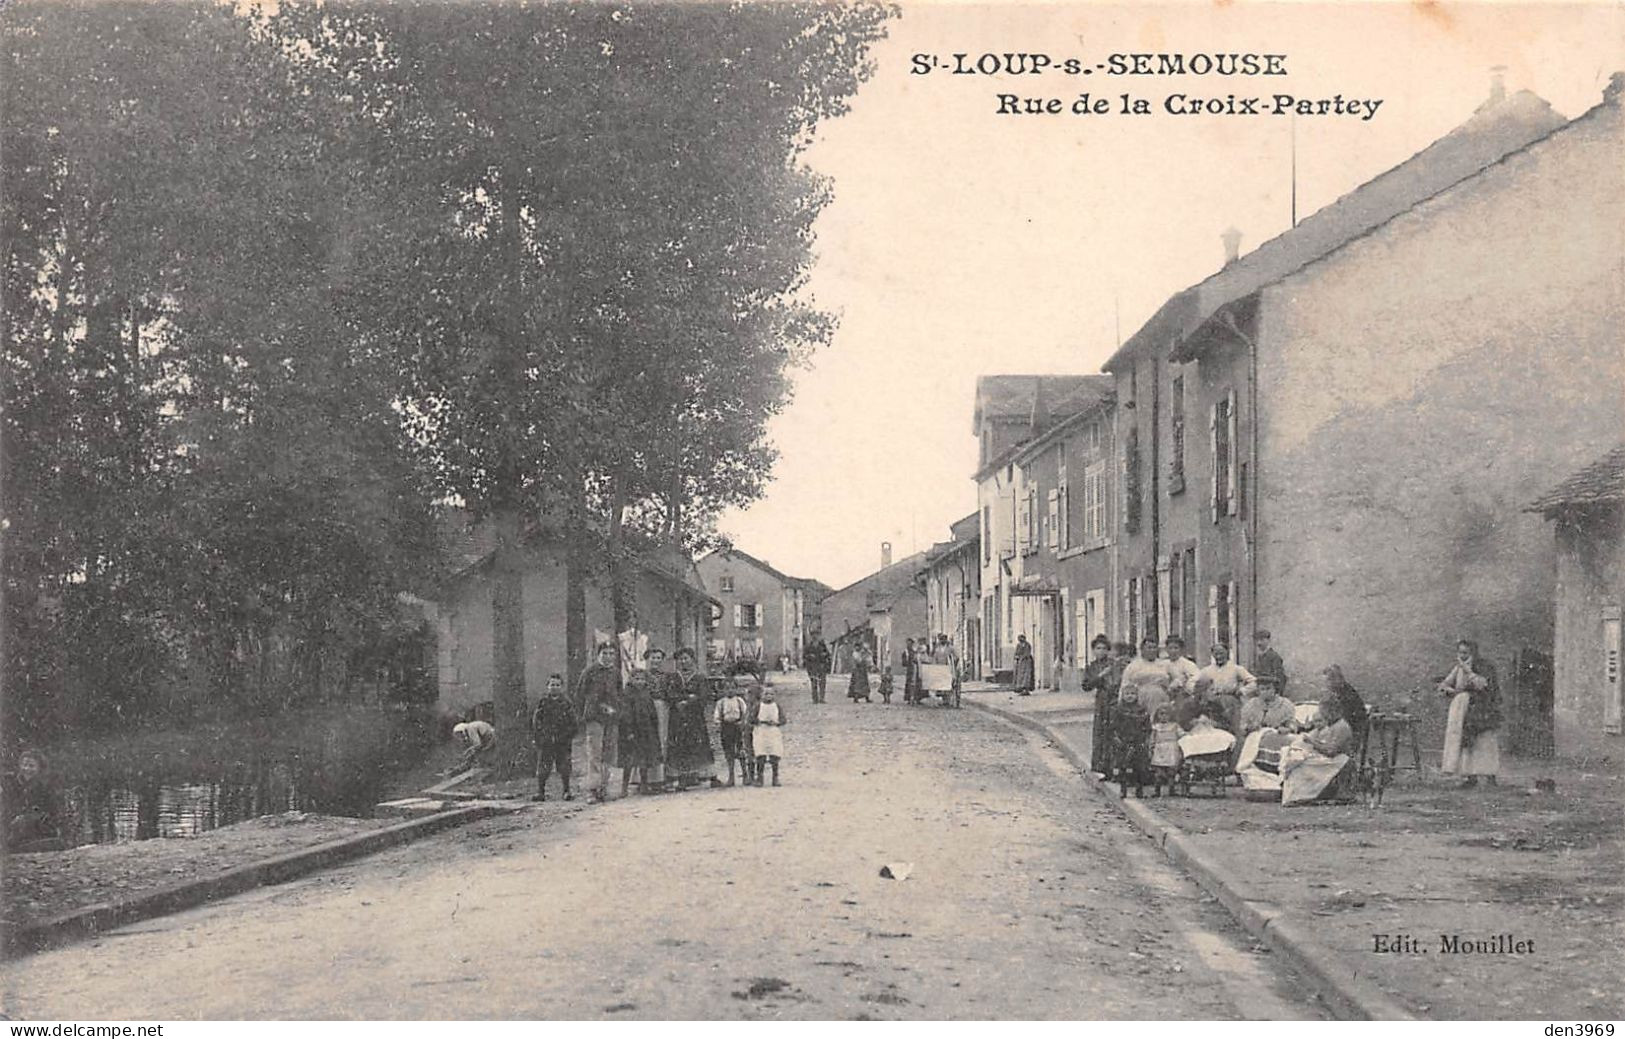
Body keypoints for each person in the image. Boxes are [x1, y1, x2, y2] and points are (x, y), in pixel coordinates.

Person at [1438, 639, 1502, 787]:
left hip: (1480, 707)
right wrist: (1451, 690)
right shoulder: (1458, 668)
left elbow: (1483, 685)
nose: (1462, 655)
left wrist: (1469, 671)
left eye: (1466, 652)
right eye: (1460, 652)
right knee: (1465, 741)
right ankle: (1469, 776)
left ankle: (1490, 775)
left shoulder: (1484, 666)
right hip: (1461, 707)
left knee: (1484, 740)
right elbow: (1445, 684)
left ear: (1473, 653)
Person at [1280, 695, 1357, 805]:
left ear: (1332, 711)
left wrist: (1312, 742)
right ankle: (1299, 794)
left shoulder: (1341, 727)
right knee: (1296, 760)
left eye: (1324, 712)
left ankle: (1302, 795)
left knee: (1302, 765)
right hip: (1331, 757)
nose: (1324, 716)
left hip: (1339, 760)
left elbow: (1331, 751)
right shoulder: (1332, 725)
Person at [576, 642, 623, 801]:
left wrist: (616, 710)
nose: (608, 657)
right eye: (605, 653)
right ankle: (592, 790)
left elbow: (619, 693)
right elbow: (581, 694)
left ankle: (604, 787)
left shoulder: (616, 672)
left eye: (611, 654)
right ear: (598, 654)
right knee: (594, 753)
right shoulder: (589, 672)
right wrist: (592, 710)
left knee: (608, 754)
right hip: (595, 717)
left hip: (612, 718)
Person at [665, 647, 717, 788]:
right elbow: (669, 694)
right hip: (678, 716)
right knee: (680, 743)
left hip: (694, 716)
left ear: (692, 660)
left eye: (686, 658)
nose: (683, 662)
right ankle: (681, 776)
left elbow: (704, 695)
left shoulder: (700, 677)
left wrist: (690, 701)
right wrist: (679, 701)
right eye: (681, 659)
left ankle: (700, 774)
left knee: (698, 742)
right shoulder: (673, 677)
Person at [530, 674, 577, 801]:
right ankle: (541, 792)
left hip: (562, 741)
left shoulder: (566, 703)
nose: (554, 687)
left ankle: (566, 791)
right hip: (546, 741)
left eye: (557, 685)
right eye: (552, 685)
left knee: (564, 766)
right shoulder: (543, 702)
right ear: (547, 687)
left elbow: (573, 723)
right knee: (544, 766)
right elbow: (536, 721)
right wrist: (540, 736)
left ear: (562, 687)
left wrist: (566, 736)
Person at [618, 666, 662, 797]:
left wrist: (654, 727)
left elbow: (652, 712)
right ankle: (624, 787)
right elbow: (625, 715)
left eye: (642, 679)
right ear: (631, 680)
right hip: (632, 731)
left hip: (646, 731)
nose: (640, 682)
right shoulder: (627, 694)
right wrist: (629, 731)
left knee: (644, 759)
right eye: (636, 679)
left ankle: (644, 785)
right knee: (629, 760)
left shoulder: (646, 693)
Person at [1195, 643, 1255, 731]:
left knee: (1233, 728)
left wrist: (1242, 690)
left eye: (1221, 653)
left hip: (1231, 703)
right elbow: (1194, 683)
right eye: (1216, 654)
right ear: (1212, 655)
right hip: (1212, 705)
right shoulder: (1206, 670)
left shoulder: (1236, 669)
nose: (1219, 656)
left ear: (1227, 653)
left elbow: (1254, 682)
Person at [1080, 635, 1117, 775]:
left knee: (1113, 732)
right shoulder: (1092, 667)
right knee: (1100, 732)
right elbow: (1086, 685)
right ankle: (1100, 766)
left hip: (1114, 699)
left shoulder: (1114, 664)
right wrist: (1101, 676)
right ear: (1094, 650)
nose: (1101, 651)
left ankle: (1113, 767)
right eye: (1098, 648)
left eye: (1104, 648)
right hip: (1101, 700)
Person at [1110, 685, 1153, 798]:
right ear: (1123, 696)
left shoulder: (1141, 710)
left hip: (1138, 740)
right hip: (1124, 740)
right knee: (1123, 765)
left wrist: (1145, 737)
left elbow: (1147, 726)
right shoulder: (1119, 710)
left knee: (1139, 766)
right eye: (1127, 694)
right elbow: (1113, 726)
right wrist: (1116, 738)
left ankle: (1139, 789)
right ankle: (1123, 789)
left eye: (1132, 694)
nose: (1130, 696)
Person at [1119, 636, 1174, 715]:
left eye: (1154, 647)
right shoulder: (1133, 666)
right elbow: (1124, 685)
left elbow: (1176, 680)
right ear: (1142, 650)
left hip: (1161, 700)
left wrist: (1170, 686)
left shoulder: (1165, 664)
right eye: (1149, 647)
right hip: (1140, 701)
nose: (1152, 650)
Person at [714, 681, 751, 786]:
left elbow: (745, 713)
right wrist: (718, 724)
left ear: (736, 689)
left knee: (741, 751)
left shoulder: (740, 701)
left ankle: (745, 775)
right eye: (727, 688)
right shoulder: (721, 703)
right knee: (729, 753)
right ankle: (731, 777)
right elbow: (717, 716)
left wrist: (743, 723)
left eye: (732, 688)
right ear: (723, 690)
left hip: (737, 727)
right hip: (726, 728)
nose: (730, 690)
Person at [750, 685, 788, 787]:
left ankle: (775, 777)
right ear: (761, 695)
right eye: (766, 694)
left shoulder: (777, 706)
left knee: (774, 754)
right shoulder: (758, 706)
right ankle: (760, 778)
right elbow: (751, 719)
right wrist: (758, 721)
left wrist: (776, 722)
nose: (768, 696)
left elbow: (783, 720)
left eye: (771, 694)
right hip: (761, 731)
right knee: (760, 755)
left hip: (773, 732)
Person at [1321, 665, 1368, 741]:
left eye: (1328, 680)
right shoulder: (1337, 692)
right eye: (1326, 681)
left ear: (1338, 679)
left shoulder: (1347, 695)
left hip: (1350, 733)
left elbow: (1342, 719)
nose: (1327, 684)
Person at [1253, 629, 1288, 698]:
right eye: (1257, 640)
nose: (1259, 643)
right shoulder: (1259, 657)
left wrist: (1278, 694)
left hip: (1271, 691)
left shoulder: (1274, 656)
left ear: (1268, 640)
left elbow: (1280, 677)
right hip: (1261, 690)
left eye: (1262, 640)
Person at [1164, 635, 1201, 699]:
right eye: (1170, 648)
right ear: (1166, 649)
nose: (1173, 651)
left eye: (1176, 648)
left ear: (1181, 649)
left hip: (1183, 695)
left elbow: (1195, 678)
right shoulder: (1163, 663)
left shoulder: (1188, 664)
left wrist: (1185, 685)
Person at [930, 633, 962, 706]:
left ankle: (948, 700)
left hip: (948, 668)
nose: (942, 640)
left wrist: (953, 664)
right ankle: (943, 700)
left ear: (946, 639)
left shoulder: (951, 648)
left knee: (948, 684)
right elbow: (933, 657)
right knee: (941, 685)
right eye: (941, 639)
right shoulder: (937, 648)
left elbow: (956, 657)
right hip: (940, 668)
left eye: (943, 639)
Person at [804, 637, 831, 704]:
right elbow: (805, 656)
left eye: (816, 634)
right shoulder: (809, 646)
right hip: (813, 667)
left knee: (822, 683)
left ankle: (822, 698)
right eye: (813, 635)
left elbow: (827, 654)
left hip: (821, 666)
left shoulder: (822, 645)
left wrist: (824, 655)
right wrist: (810, 656)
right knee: (814, 683)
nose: (815, 637)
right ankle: (815, 699)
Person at [901, 638, 920, 705]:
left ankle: (916, 698)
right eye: (908, 643)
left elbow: (917, 660)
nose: (909, 645)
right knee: (909, 683)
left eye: (910, 643)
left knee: (916, 683)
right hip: (909, 669)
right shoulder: (905, 652)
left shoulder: (914, 652)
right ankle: (909, 698)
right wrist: (907, 662)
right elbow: (903, 662)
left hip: (915, 669)